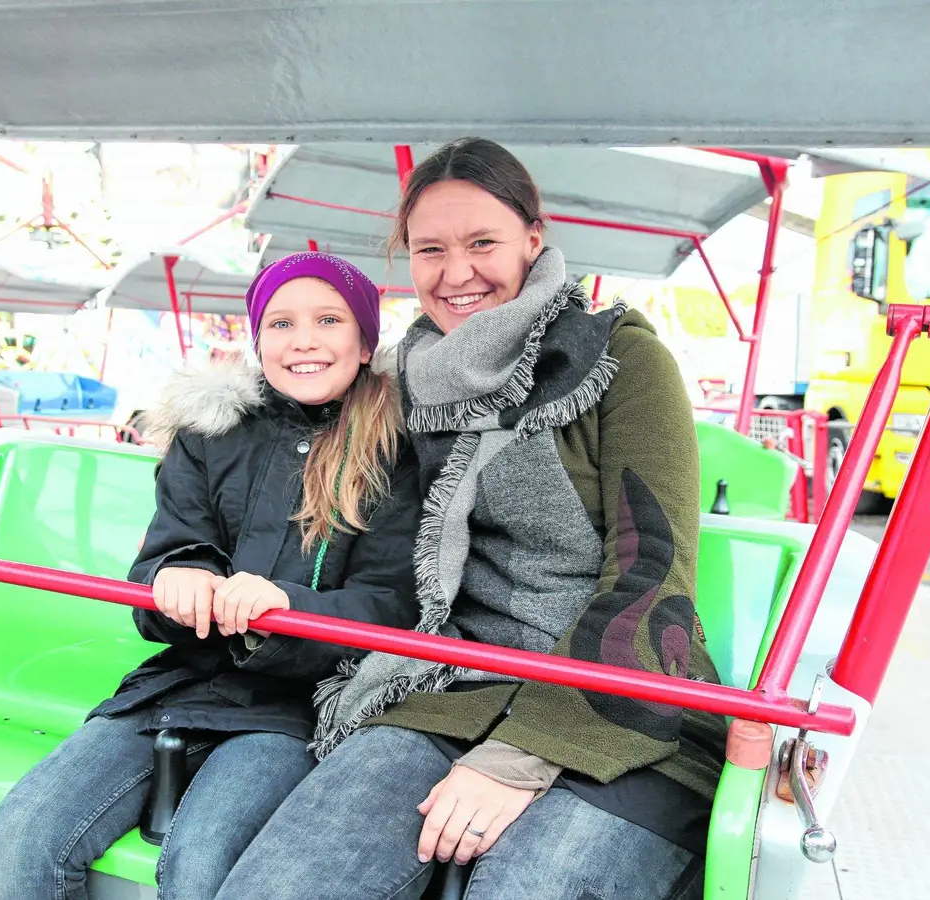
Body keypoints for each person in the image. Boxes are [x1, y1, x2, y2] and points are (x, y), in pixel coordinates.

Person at [216, 138, 725, 900]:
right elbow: (294, 429)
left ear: (532, 238)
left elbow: (655, 569)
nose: (457, 273)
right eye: (431, 250)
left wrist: (523, 755)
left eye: (482, 242)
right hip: (449, 681)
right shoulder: (403, 382)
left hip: (624, 692)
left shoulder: (619, 356)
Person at [0, 252, 425, 900]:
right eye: (280, 324)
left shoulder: (394, 454)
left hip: (292, 709)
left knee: (200, 865)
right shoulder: (211, 435)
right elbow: (174, 544)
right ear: (256, 341)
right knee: (23, 833)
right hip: (178, 683)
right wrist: (178, 577)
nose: (303, 339)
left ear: (364, 341)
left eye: (328, 320)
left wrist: (286, 607)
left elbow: (391, 602)